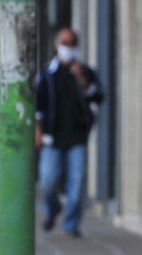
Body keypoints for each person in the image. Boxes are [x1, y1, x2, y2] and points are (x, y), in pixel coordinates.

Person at [34, 28, 103, 237]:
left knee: (77, 180)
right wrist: (38, 131)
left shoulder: (85, 71)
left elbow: (98, 97)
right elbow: (38, 105)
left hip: (77, 136)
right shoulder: (47, 73)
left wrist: (82, 79)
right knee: (48, 179)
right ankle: (53, 207)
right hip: (52, 136)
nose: (68, 48)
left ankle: (71, 223)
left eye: (72, 43)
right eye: (65, 43)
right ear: (57, 45)